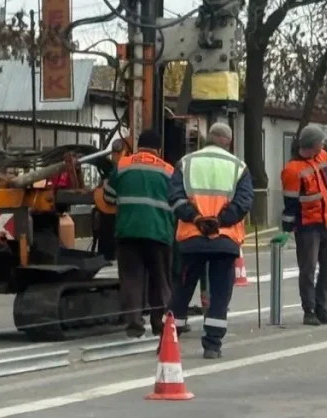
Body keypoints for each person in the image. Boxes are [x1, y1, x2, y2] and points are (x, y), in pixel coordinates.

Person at [168, 122, 253, 359]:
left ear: (209, 139)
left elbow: (174, 198)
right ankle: (212, 346)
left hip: (192, 240)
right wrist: (220, 221)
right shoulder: (239, 167)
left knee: (182, 291)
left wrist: (196, 219)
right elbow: (244, 202)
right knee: (220, 294)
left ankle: (168, 341)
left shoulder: (187, 163)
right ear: (228, 141)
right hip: (224, 241)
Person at [273, 125, 327, 326]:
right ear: (312, 144)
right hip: (307, 227)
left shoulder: (324, 157)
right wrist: (287, 230)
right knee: (308, 269)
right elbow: (290, 204)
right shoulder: (292, 170)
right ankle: (309, 311)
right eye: (321, 141)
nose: (323, 144)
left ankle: (321, 307)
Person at [102, 130, 175, 338]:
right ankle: (159, 323)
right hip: (159, 234)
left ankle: (134, 323)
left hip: (128, 232)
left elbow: (108, 196)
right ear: (158, 149)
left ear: (138, 146)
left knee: (131, 279)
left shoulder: (123, 165)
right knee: (160, 279)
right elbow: (177, 201)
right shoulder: (168, 171)